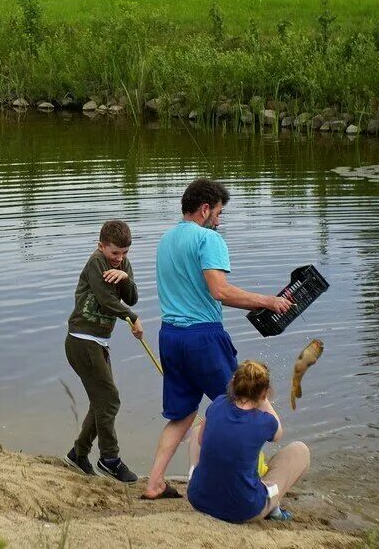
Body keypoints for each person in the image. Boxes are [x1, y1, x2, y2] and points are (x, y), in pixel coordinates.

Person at [141, 178, 293, 499]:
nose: (220, 221)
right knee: (243, 404)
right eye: (219, 213)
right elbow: (219, 291)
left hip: (170, 336)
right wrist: (269, 301)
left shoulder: (166, 239)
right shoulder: (208, 239)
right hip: (203, 337)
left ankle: (154, 482)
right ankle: (246, 482)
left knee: (182, 415)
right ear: (205, 209)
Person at [64, 220, 144, 483]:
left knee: (102, 402)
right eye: (114, 253)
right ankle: (110, 459)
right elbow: (106, 300)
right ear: (101, 247)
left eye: (125, 253)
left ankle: (78, 454)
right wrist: (132, 318)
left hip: (99, 342)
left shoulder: (122, 265)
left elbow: (131, 297)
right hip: (81, 340)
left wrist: (126, 278)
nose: (120, 258)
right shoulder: (96, 262)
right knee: (109, 400)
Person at [188, 360, 310, 522]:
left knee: (199, 428)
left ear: (233, 384)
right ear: (265, 393)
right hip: (244, 510)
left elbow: (201, 440)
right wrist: (264, 401)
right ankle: (273, 509)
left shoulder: (218, 403)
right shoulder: (265, 421)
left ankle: (196, 478)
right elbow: (278, 434)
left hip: (199, 500)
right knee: (300, 450)